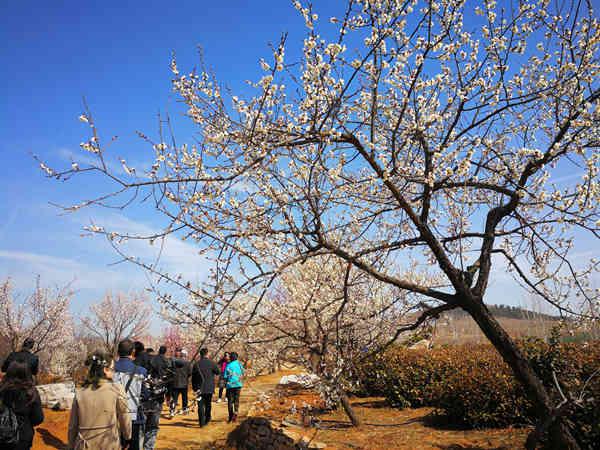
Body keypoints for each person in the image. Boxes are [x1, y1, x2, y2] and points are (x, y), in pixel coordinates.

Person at [67, 350, 131, 450]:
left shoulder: (80, 392)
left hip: (84, 445)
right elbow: (124, 415)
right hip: (108, 443)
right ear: (105, 369)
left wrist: (70, 445)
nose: (114, 372)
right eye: (113, 369)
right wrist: (127, 437)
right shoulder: (116, 389)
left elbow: (73, 425)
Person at [0, 362, 43, 450]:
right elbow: (38, 418)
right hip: (23, 438)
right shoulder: (31, 393)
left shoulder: (2, 390)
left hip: (2, 435)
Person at [113, 339, 147, 450]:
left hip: (113, 415)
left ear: (118, 352)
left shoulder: (109, 370)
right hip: (133, 415)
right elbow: (145, 395)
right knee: (133, 445)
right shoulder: (141, 371)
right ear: (132, 352)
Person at [191, 348, 220, 427]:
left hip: (199, 388)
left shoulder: (196, 364)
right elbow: (218, 372)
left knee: (200, 405)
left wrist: (194, 388)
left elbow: (193, 378)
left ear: (200, 354)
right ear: (207, 354)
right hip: (209, 388)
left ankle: (201, 422)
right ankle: (207, 418)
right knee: (208, 404)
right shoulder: (211, 363)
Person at [169, 349, 191, 417]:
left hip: (175, 383)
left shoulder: (174, 362)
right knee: (184, 398)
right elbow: (190, 373)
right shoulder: (188, 363)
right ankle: (185, 410)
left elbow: (171, 371)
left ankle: (172, 410)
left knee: (174, 398)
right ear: (185, 355)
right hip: (184, 383)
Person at [224, 352, 244, 423]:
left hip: (230, 385)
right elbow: (243, 373)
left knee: (230, 401)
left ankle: (230, 416)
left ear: (231, 358)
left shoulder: (228, 365)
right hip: (238, 384)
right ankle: (236, 412)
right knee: (236, 399)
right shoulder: (239, 364)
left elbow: (225, 376)